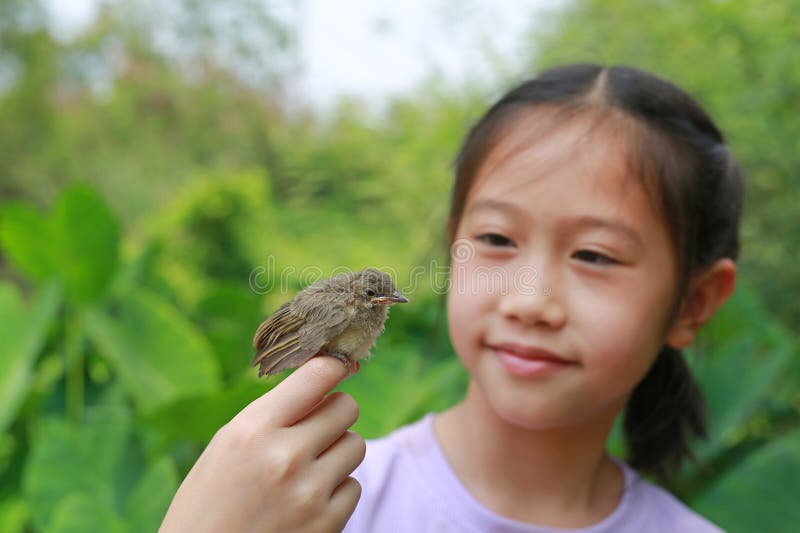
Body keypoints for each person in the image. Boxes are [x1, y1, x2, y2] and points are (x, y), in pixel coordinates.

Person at [160, 63, 742, 532]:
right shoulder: (319, 504)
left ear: (692, 303)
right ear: (453, 247)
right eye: (496, 239)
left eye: (594, 254)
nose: (528, 301)